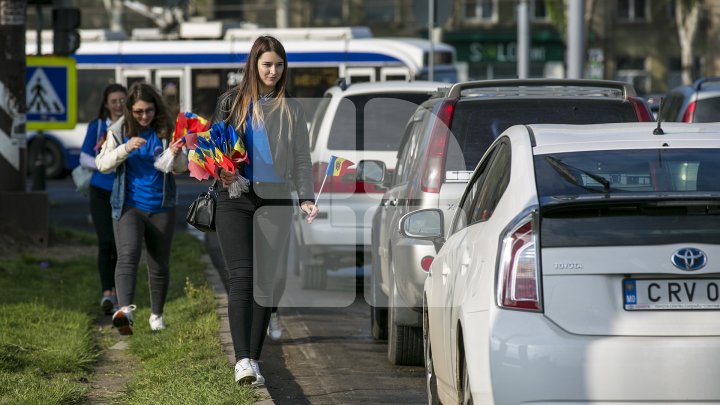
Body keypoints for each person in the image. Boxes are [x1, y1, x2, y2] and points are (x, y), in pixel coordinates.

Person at [212, 35, 318, 385]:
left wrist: (305, 196)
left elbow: (302, 157)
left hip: (275, 202)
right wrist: (222, 171)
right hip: (235, 199)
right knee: (242, 278)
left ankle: (253, 360)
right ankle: (241, 360)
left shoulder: (293, 108)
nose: (273, 71)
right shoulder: (231, 103)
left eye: (279, 64)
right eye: (267, 64)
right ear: (254, 66)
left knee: (265, 284)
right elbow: (214, 149)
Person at [95, 82, 187, 335]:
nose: (144, 116)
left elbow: (180, 169)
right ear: (129, 110)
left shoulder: (166, 130)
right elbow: (102, 164)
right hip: (128, 205)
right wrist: (125, 148)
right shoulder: (117, 130)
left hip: (161, 206)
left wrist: (176, 154)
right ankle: (125, 312)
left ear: (156, 109)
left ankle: (157, 315)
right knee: (128, 255)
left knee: (159, 264)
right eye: (138, 112)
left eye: (148, 111)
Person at [79, 83, 127, 315]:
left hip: (125, 191)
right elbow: (84, 157)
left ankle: (119, 293)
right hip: (100, 191)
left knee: (121, 244)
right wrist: (105, 163)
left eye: (122, 100)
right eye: (114, 101)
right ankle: (106, 293)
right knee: (105, 242)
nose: (118, 105)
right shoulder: (97, 126)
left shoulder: (133, 126)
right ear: (106, 104)